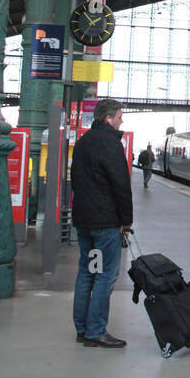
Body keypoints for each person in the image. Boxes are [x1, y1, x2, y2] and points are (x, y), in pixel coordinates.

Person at [70, 98, 133, 348]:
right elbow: (121, 185)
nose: (121, 120)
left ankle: (83, 329)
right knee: (105, 275)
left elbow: (75, 180)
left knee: (88, 272)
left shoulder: (83, 142)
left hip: (85, 221)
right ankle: (96, 330)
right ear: (108, 119)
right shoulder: (111, 143)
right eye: (119, 116)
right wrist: (126, 219)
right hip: (105, 223)